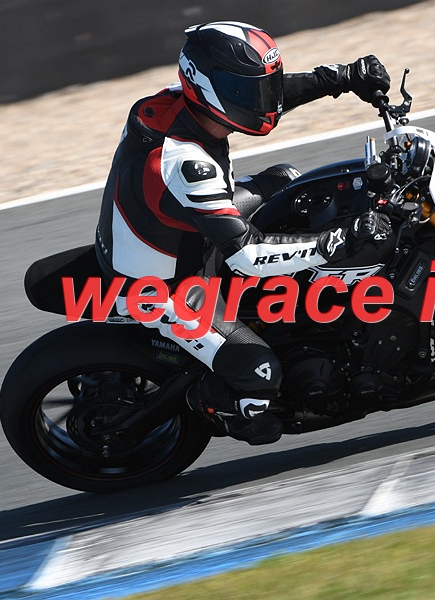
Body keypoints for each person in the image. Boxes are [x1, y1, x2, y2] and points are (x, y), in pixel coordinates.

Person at [94, 21, 393, 445]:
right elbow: (246, 255)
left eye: (262, 88)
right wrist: (338, 241)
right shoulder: (185, 162)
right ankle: (210, 404)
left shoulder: (179, 102)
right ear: (210, 87)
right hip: (165, 285)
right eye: (247, 90)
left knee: (290, 185)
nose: (264, 100)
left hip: (176, 233)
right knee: (260, 376)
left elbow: (270, 95)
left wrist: (339, 78)